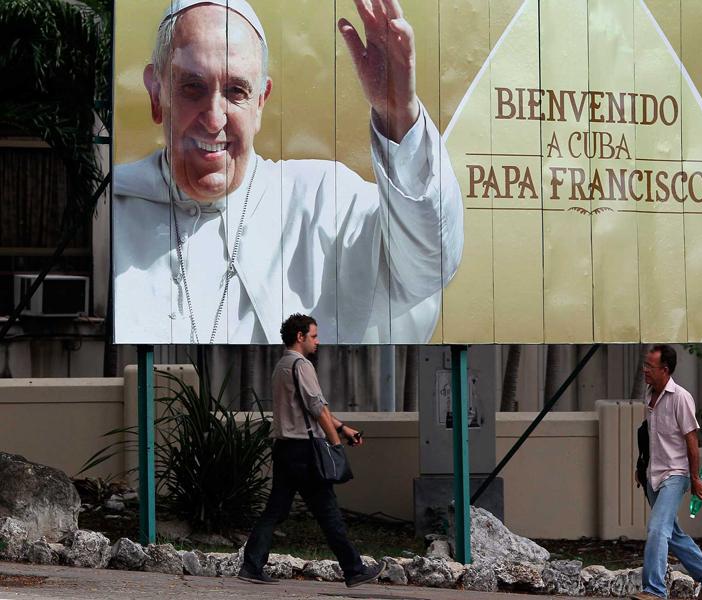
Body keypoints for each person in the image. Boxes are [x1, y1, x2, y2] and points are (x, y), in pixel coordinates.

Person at [112, 0, 463, 345]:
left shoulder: (324, 202)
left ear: (261, 102)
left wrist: (398, 114)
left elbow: (430, 262)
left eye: (236, 91)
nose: (214, 118)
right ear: (156, 95)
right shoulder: (113, 211)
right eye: (193, 87)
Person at [239, 313, 383, 587]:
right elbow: (318, 408)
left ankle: (252, 565)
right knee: (328, 513)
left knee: (275, 511)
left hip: (285, 449)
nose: (318, 342)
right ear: (300, 337)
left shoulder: (282, 365)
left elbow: (309, 407)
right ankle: (354, 570)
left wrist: (342, 428)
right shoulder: (301, 365)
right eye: (314, 336)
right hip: (304, 452)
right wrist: (336, 443)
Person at [631, 344, 702, 600]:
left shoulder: (681, 398)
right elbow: (651, 436)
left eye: (650, 366)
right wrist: (642, 467)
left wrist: (694, 478)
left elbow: (691, 441)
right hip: (653, 474)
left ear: (665, 369)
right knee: (672, 534)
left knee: (657, 529)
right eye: (645, 365)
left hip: (675, 474)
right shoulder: (649, 395)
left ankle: (654, 590)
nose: (645, 370)